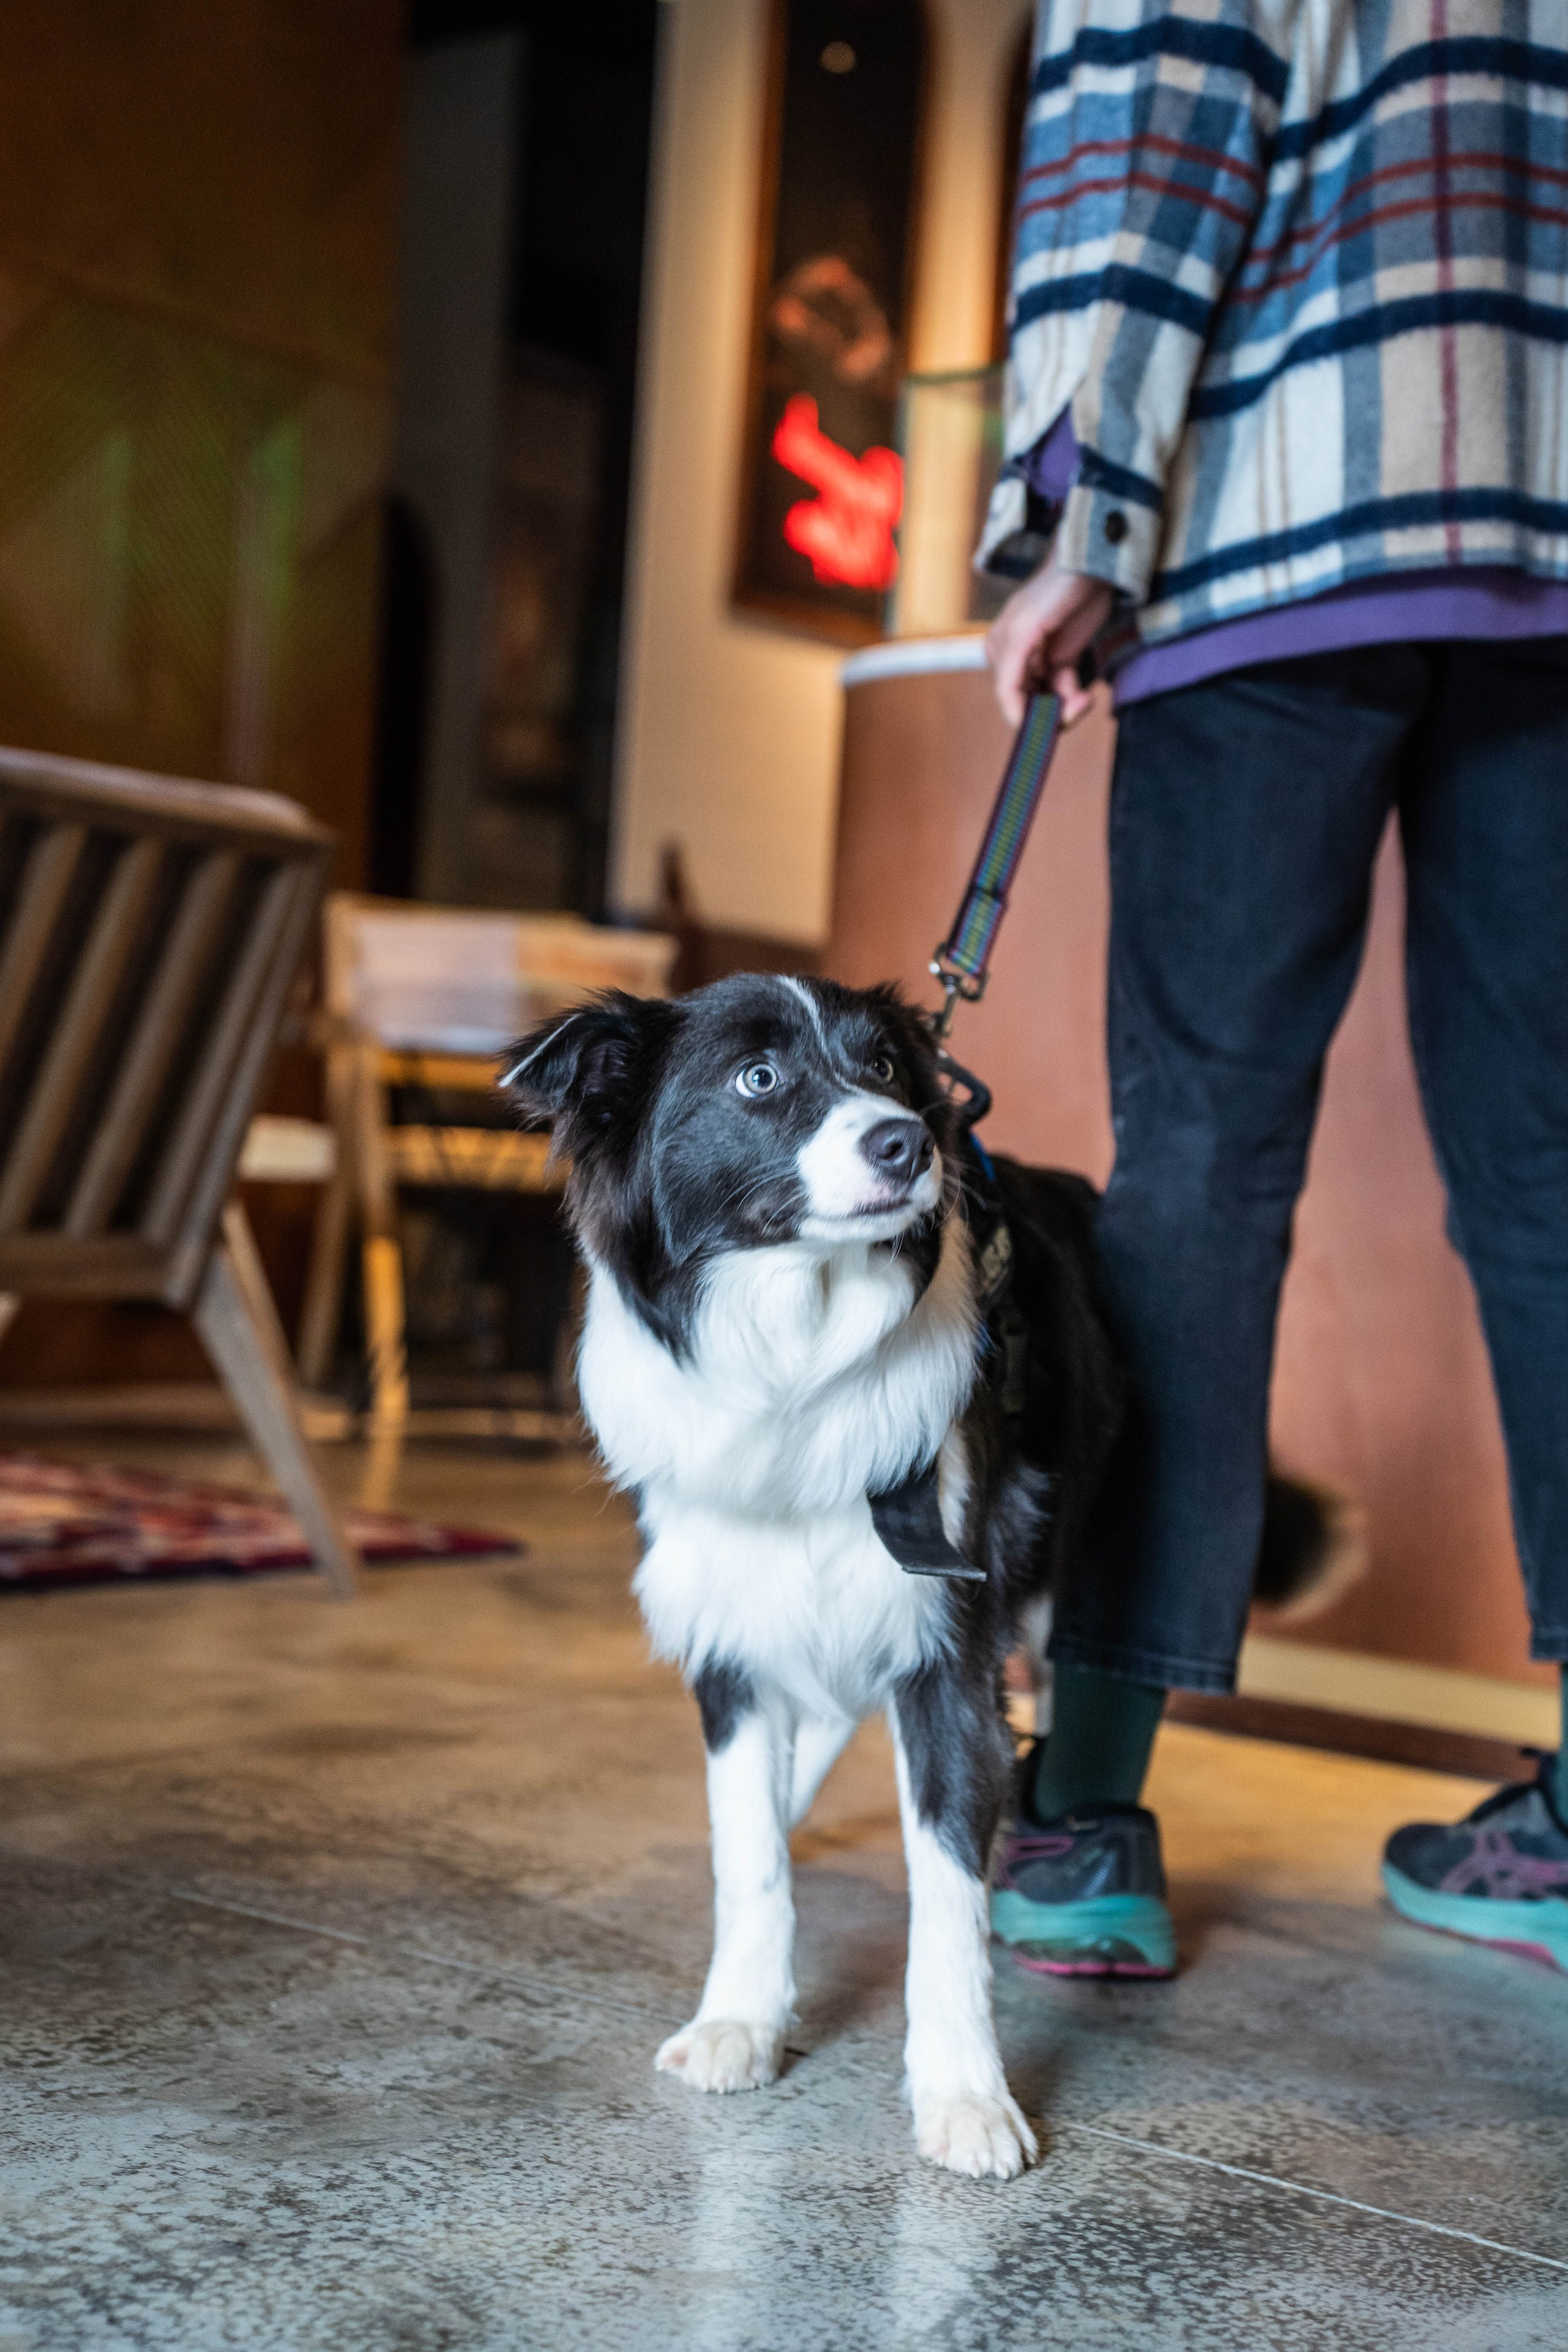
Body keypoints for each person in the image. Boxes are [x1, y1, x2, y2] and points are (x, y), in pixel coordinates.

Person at [979, 0, 1568, 1980]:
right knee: (1558, 1182)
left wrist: (1079, 498)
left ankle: (1086, 1817)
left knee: (1206, 1168)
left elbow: (1162, 109)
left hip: (1285, 522)